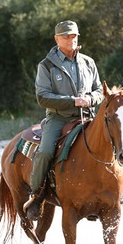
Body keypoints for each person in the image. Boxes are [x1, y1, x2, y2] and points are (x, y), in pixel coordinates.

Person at [24, 20, 104, 220]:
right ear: (57, 39)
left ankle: (102, 195)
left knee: (109, 146)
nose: (71, 40)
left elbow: (100, 90)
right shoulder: (47, 65)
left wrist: (91, 99)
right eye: (66, 36)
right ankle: (37, 195)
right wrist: (73, 101)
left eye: (74, 36)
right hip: (58, 118)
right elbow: (42, 96)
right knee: (45, 152)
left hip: (88, 117)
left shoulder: (88, 62)